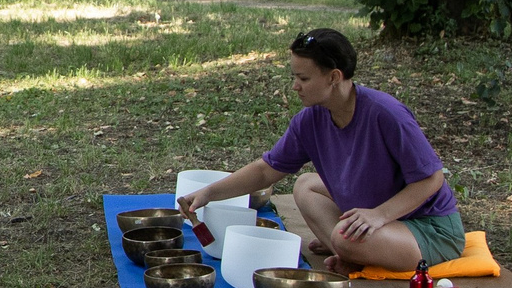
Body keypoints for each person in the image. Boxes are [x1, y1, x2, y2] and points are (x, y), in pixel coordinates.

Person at [179, 27, 466, 275]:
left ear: (334, 77)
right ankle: (350, 252)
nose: (295, 86)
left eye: (303, 79)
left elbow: (432, 179)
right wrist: (209, 193)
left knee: (343, 237)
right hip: (376, 218)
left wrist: (379, 215)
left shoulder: (387, 114)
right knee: (305, 185)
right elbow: (266, 170)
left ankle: (348, 250)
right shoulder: (310, 120)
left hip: (427, 227)